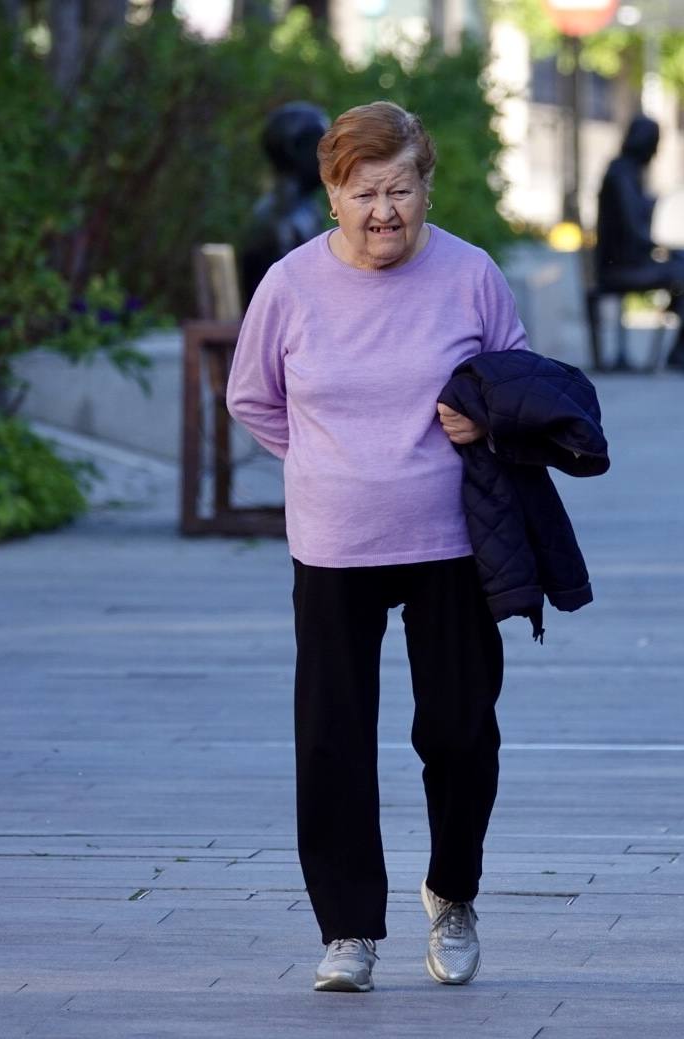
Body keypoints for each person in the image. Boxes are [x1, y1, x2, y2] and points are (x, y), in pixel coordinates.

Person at [227, 101, 530, 993]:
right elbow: (253, 397)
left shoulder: (471, 275)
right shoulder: (290, 284)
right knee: (331, 737)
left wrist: (484, 422)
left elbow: (520, 383)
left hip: (451, 539)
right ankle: (348, 927)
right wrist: (324, 462)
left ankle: (454, 892)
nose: (383, 211)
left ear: (427, 187)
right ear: (332, 195)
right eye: (363, 193)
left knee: (460, 730)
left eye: (400, 189)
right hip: (334, 540)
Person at [595, 115, 684, 374]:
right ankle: (681, 349)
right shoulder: (621, 175)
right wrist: (665, 249)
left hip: (630, 260)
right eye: (655, 144)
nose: (656, 152)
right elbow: (633, 230)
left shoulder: (627, 172)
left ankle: (683, 342)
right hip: (622, 267)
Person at [239, 102, 330, 306]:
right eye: (323, 144)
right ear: (294, 149)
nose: (331, 155)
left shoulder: (306, 212)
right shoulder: (278, 223)